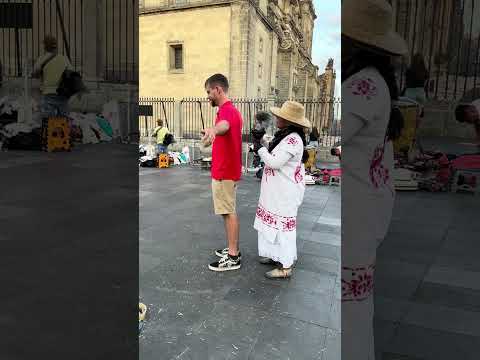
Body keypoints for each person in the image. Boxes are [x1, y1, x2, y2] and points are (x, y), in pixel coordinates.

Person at [342, 0, 407, 359]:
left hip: (356, 215)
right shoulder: (374, 81)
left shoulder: (363, 85)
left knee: (350, 315)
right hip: (364, 211)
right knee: (354, 309)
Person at [251, 100, 310, 279]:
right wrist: (260, 141)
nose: (277, 118)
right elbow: (274, 155)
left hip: (285, 192)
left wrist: (259, 147)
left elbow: (274, 162)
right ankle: (275, 255)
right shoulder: (285, 135)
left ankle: (285, 267)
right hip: (277, 190)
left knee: (283, 228)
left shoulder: (293, 139)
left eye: (281, 116)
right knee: (272, 224)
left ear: (289, 121)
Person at [201, 74, 243, 272]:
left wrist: (214, 131)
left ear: (218, 89)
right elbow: (223, 130)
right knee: (227, 211)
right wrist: (213, 137)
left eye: (209, 92)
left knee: (228, 212)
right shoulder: (226, 111)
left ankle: (233, 256)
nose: (207, 96)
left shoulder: (228, 112)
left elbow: (223, 126)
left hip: (224, 172)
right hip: (225, 170)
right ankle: (232, 249)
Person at [31, 35, 73, 119]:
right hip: (62, 94)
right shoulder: (63, 58)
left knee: (48, 120)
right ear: (56, 46)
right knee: (63, 121)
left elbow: (34, 74)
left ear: (45, 47)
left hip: (48, 94)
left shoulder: (41, 59)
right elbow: (71, 74)